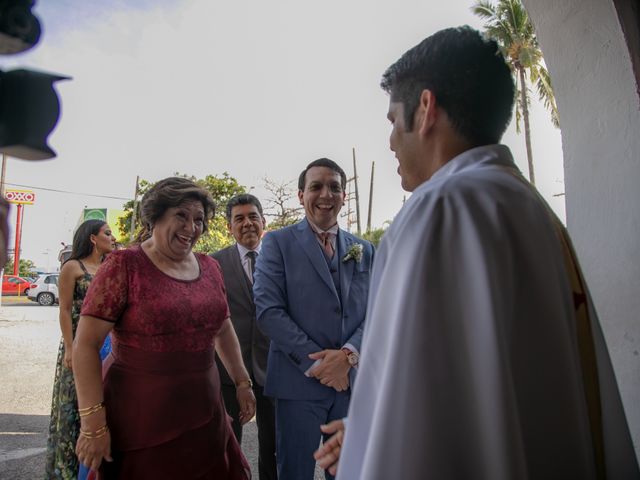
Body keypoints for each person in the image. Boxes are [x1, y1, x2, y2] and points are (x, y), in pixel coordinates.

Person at [315, 26, 640, 479]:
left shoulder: (439, 210)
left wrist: (375, 439)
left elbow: (418, 412)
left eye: (393, 122)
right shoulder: (530, 208)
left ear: (425, 109)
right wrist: (370, 424)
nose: (390, 141)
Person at [72, 177, 254, 479]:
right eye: (181, 216)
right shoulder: (123, 266)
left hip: (204, 408)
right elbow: (86, 345)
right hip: (140, 414)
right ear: (155, 216)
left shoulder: (210, 267)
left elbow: (222, 328)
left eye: (198, 220)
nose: (191, 228)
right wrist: (93, 424)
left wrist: (242, 382)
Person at [253, 158, 374, 480]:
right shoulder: (277, 243)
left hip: (351, 384)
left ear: (344, 195)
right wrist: (321, 366)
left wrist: (349, 356)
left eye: (334, 187)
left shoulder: (365, 249)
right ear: (300, 194)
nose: (326, 194)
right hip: (298, 383)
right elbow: (269, 311)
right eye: (316, 186)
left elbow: (378, 312)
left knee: (351, 472)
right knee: (294, 472)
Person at [44, 219, 116, 479]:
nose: (113, 237)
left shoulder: (111, 267)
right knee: (75, 407)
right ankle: (69, 472)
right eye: (107, 233)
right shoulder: (73, 267)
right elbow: (63, 310)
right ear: (93, 238)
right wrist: (70, 349)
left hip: (107, 344)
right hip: (78, 343)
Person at [212, 194, 277, 480]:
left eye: (253, 216)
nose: (247, 223)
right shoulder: (213, 263)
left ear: (264, 221)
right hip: (228, 372)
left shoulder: (281, 259)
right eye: (239, 218)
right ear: (229, 227)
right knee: (228, 445)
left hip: (274, 367)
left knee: (274, 446)